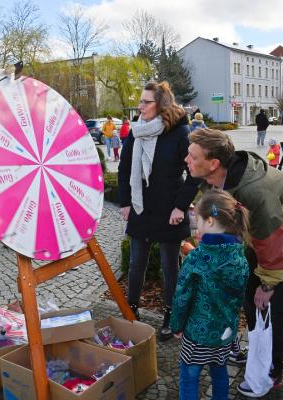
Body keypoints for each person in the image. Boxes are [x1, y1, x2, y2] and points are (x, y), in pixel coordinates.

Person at [185, 128, 283, 396]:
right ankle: (256, 351)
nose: (186, 158)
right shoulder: (220, 176)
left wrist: (267, 285)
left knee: (273, 305)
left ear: (213, 163)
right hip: (261, 235)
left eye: (192, 155)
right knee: (248, 297)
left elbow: (272, 236)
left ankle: (271, 372)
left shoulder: (254, 190)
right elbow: (224, 210)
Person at [118, 81, 201, 341]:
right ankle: (130, 311)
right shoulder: (137, 130)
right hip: (141, 207)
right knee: (135, 265)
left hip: (169, 210)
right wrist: (124, 202)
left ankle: (170, 315)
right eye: (140, 101)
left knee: (169, 267)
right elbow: (123, 168)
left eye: (146, 102)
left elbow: (195, 172)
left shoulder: (180, 132)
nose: (140, 106)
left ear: (161, 104)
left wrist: (179, 206)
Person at [170, 188, 250, 400]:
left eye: (200, 222)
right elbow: (238, 296)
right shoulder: (240, 257)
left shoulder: (196, 259)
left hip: (198, 334)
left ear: (211, 221)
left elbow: (182, 297)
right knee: (219, 371)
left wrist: (176, 326)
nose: (198, 227)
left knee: (189, 375)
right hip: (225, 332)